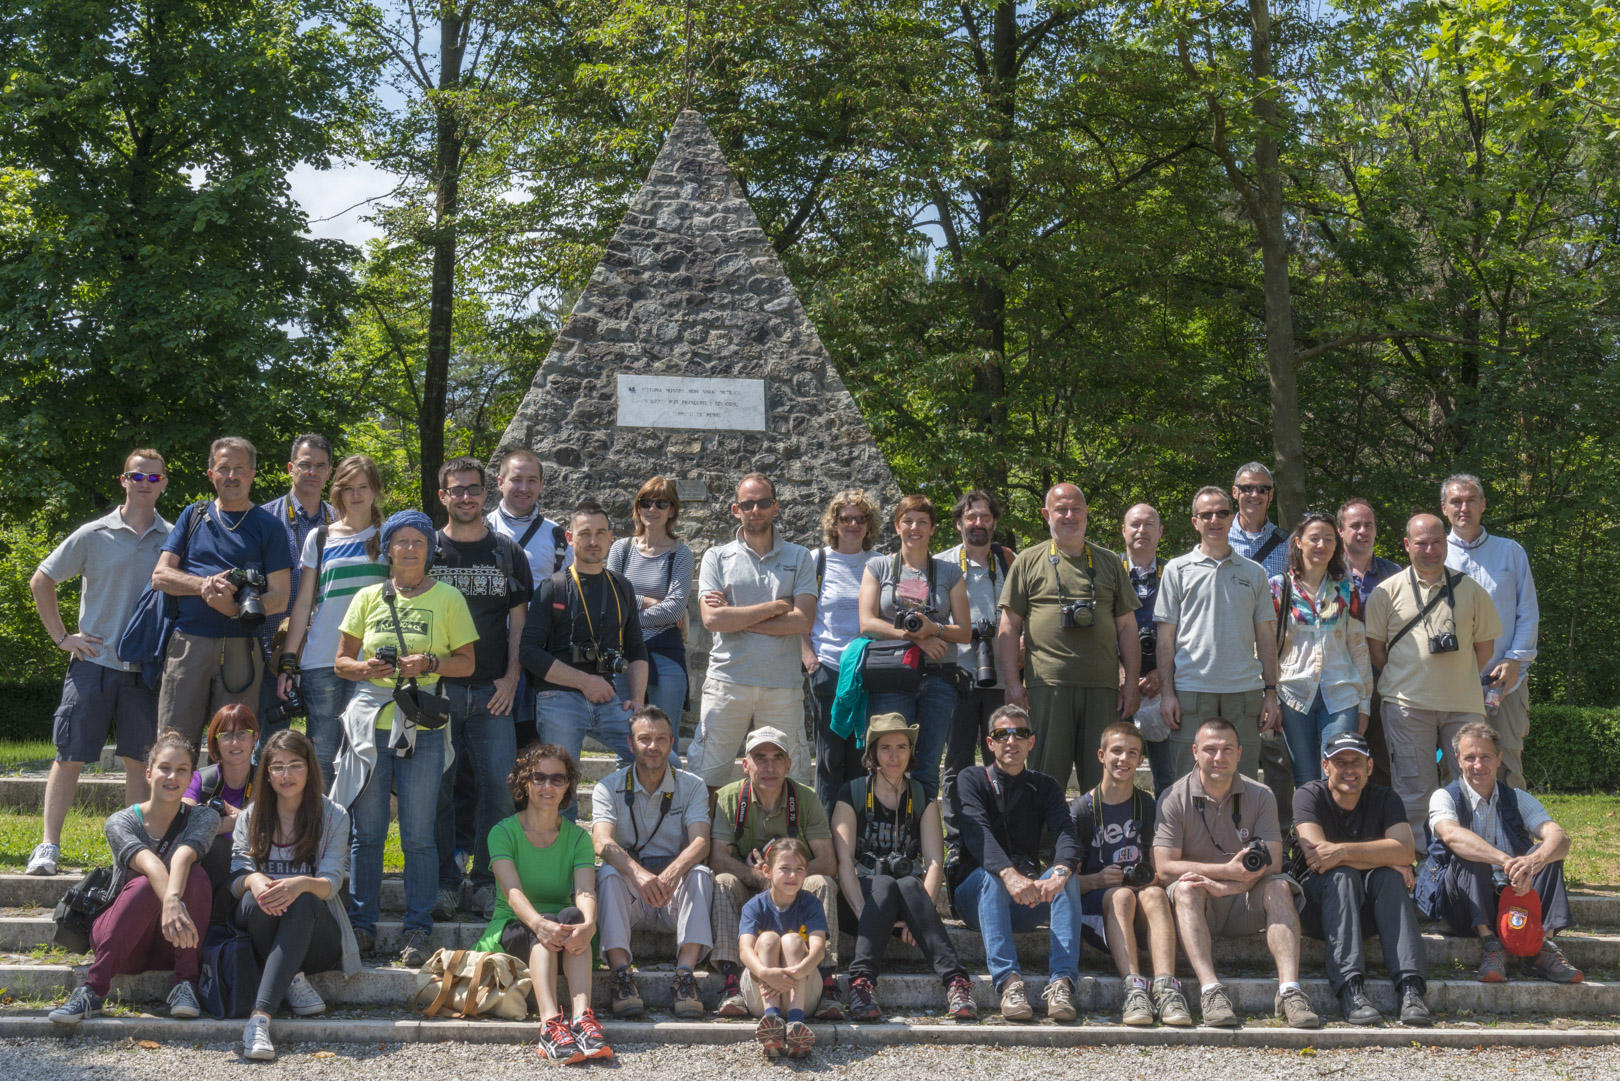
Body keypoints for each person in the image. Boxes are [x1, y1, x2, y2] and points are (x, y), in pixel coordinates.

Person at [330, 510, 478, 966]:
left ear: (430, 549)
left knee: (418, 834)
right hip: (371, 720)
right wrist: (366, 669)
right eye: (401, 541)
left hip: (424, 723)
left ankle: (418, 928)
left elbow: (468, 663)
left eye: (419, 540)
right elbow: (341, 662)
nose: (410, 548)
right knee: (368, 832)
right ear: (388, 548)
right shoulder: (368, 596)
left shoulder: (449, 598)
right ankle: (362, 925)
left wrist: (429, 664)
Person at [27, 450, 171, 877]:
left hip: (146, 668)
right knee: (70, 754)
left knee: (137, 762)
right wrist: (62, 637)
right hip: (93, 663)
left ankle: (129, 852)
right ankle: (48, 846)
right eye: (137, 475)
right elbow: (42, 579)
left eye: (154, 476)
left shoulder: (175, 537)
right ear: (123, 480)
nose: (145, 482)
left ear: (164, 482)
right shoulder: (93, 534)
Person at [1153, 718, 1318, 1030]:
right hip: (1202, 903)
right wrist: (1223, 874)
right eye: (1210, 749)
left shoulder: (1261, 795)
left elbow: (1274, 862)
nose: (1219, 757)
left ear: (1241, 753)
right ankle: (1211, 991)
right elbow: (1164, 867)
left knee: (1280, 887)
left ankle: (1290, 991)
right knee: (1185, 889)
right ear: (1195, 752)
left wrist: (1225, 886)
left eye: (1227, 749)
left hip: (1245, 899)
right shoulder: (1173, 797)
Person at [48, 730, 220, 1024]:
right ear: (149, 772)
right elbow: (150, 863)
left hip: (174, 939)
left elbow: (182, 856)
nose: (172, 777)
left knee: (196, 876)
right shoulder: (121, 821)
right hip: (123, 938)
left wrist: (172, 902)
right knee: (144, 884)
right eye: (165, 768)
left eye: (182, 770)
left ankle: (186, 984)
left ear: (192, 778)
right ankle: (92, 990)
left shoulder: (204, 817)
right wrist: (171, 900)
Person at [429, 456, 533, 922]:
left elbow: (518, 624)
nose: (466, 497)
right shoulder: (426, 550)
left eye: (473, 489)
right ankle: (446, 879)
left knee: (498, 788)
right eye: (457, 490)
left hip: (494, 692)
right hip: (439, 690)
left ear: (484, 494)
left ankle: (487, 880)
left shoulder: (507, 553)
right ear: (443, 496)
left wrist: (512, 677)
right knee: (441, 788)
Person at [831, 713, 976, 1022]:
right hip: (857, 899)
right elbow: (843, 862)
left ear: (911, 752)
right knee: (883, 885)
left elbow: (935, 860)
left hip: (906, 904)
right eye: (885, 748)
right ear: (872, 753)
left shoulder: (921, 795)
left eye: (901, 747)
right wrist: (864, 912)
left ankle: (956, 983)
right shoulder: (852, 793)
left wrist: (917, 914)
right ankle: (861, 983)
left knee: (909, 884)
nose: (894, 756)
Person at [1364, 514, 1501, 838]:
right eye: (1421, 543)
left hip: (1464, 706)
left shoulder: (1471, 590)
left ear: (1446, 543)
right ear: (1407, 545)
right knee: (1413, 790)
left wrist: (1455, 678)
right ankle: (1425, 864)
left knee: (1474, 784)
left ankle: (1475, 863)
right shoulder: (1386, 593)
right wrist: (1414, 677)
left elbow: (1484, 649)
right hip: (1407, 707)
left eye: (1436, 542)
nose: (1429, 550)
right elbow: (1377, 653)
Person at [472, 744, 610, 1064]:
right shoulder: (502, 832)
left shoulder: (578, 838)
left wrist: (588, 925)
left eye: (557, 779)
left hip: (563, 936)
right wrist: (538, 923)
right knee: (546, 918)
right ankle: (549, 1026)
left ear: (567, 787)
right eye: (539, 777)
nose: (548, 786)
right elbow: (513, 894)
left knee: (574, 915)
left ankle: (582, 1020)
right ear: (525, 783)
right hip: (515, 931)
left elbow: (586, 890)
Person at [996, 483, 1138, 794]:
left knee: (1105, 776)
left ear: (1087, 513)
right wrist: (1012, 683)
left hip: (1102, 687)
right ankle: (1044, 843)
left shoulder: (1110, 561)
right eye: (1061, 509)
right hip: (1047, 687)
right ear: (1046, 514)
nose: (1069, 515)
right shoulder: (1028, 561)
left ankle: (1103, 840)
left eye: (1076, 509)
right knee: (1044, 774)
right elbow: (1008, 626)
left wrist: (1130, 684)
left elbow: (1127, 626)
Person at [151, 438, 292, 747]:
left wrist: (232, 609)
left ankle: (230, 798)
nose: (232, 476)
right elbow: (160, 576)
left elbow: (281, 596)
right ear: (210, 474)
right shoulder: (193, 516)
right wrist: (204, 586)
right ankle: (176, 798)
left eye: (240, 468)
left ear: (253, 474)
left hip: (242, 647)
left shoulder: (269, 527)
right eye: (224, 468)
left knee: (235, 743)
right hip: (189, 642)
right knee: (174, 739)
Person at [231, 730, 361, 1062]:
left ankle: (260, 1014)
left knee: (302, 900)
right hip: (265, 926)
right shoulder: (251, 815)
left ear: (310, 768)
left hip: (318, 935)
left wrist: (300, 883)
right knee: (253, 898)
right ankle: (277, 998)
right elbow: (236, 876)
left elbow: (331, 883)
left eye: (295, 765)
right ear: (267, 773)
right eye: (277, 767)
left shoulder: (334, 816)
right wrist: (256, 880)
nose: (286, 775)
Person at [1419, 723, 1582, 984]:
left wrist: (1534, 860)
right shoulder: (1443, 796)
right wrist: (1503, 859)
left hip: (1513, 900)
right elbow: (1450, 834)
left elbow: (1560, 838)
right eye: (1469, 758)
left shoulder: (1517, 797)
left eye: (1485, 757)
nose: (1477, 765)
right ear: (1458, 761)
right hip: (1462, 906)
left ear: (1499, 760)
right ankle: (1490, 946)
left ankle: (1542, 948)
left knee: (1548, 853)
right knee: (1468, 851)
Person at [950, 704, 1083, 1023]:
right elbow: (976, 832)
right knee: (994, 877)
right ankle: (1010, 984)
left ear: (1031, 742)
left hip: (1024, 898)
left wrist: (1060, 873)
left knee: (1067, 878)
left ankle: (1061, 984)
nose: (1011, 741)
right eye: (1002, 734)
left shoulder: (1045, 786)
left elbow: (1066, 832)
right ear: (990, 741)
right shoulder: (971, 779)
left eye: (1020, 733)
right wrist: (1009, 875)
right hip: (975, 896)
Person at [687, 473, 817, 790]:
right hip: (727, 682)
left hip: (781, 686)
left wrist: (736, 616)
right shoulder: (716, 557)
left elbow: (802, 621)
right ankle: (707, 841)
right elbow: (713, 621)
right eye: (748, 504)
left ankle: (784, 842)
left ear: (775, 507)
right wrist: (775, 607)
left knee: (791, 780)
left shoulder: (799, 556)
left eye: (762, 502)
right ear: (736, 509)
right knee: (706, 778)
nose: (755, 510)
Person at [1293, 731, 1431, 1026]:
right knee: (1342, 877)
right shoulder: (1308, 795)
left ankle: (1411, 989)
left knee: (1389, 878)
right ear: (1325, 766)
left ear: (1369, 766)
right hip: (1318, 909)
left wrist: (1341, 850)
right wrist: (1384, 855)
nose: (1349, 770)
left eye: (1356, 762)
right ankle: (1350, 991)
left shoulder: (1385, 797)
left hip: (1368, 911)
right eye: (1340, 762)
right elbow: (1317, 859)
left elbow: (1406, 850)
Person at [708, 726, 843, 1020]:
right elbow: (717, 858)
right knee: (722, 881)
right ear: (746, 765)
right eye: (760, 758)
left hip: (795, 889)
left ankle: (827, 982)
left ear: (789, 764)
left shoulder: (805, 798)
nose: (769, 767)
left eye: (777, 758)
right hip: (751, 887)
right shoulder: (729, 798)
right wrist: (759, 876)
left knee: (822, 882)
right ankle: (732, 983)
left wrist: (784, 878)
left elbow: (828, 861)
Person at [518, 499, 644, 815]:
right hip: (560, 699)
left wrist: (639, 701)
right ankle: (564, 860)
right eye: (585, 533)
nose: (593, 541)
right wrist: (585, 681)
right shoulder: (553, 588)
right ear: (570, 538)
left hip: (608, 700)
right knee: (561, 788)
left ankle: (626, 827)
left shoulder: (622, 587)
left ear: (611, 537)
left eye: (601, 533)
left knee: (660, 760)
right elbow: (528, 653)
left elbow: (637, 650)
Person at [590, 706, 712, 1020]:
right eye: (644, 739)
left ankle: (685, 976)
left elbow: (701, 841)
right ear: (630, 745)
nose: (652, 746)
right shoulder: (608, 786)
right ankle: (620, 975)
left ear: (672, 743)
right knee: (607, 875)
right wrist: (640, 874)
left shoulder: (693, 785)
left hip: (673, 893)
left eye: (660, 739)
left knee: (700, 873)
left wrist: (670, 873)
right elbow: (602, 841)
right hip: (632, 892)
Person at [1154, 487, 1280, 782]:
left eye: (1222, 513)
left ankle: (1240, 831)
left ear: (1232, 517)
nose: (1214, 520)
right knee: (1189, 781)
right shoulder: (1177, 569)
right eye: (1206, 514)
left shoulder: (1254, 572)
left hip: (1245, 692)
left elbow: (1265, 636)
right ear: (1194, 521)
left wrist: (1271, 692)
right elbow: (1165, 638)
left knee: (1243, 781)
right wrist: (1167, 693)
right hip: (1191, 690)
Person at [275, 454, 387, 786]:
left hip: (371, 661)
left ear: (375, 490)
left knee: (363, 749)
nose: (356, 495)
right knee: (322, 750)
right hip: (322, 658)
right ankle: (323, 830)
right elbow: (304, 603)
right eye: (349, 488)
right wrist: (289, 662)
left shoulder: (389, 538)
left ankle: (359, 834)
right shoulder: (321, 537)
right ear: (338, 491)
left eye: (363, 487)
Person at [1071, 722, 1190, 1027]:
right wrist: (1096, 881)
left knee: (1153, 893)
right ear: (1101, 755)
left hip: (1141, 910)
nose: (1123, 759)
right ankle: (1134, 989)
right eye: (1117, 751)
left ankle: (1166, 987)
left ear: (1141, 761)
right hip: (1096, 912)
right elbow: (1064, 882)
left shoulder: (1148, 805)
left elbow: (1159, 867)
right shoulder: (1081, 810)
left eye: (1132, 753)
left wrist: (1152, 877)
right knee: (1122, 894)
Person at [858, 493, 970, 801]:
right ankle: (880, 836)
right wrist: (918, 637)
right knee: (885, 763)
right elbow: (867, 622)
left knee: (928, 763)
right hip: (890, 676)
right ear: (896, 526)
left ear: (933, 528)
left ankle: (922, 841)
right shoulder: (878, 567)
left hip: (939, 676)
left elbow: (964, 632)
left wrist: (935, 629)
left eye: (922, 522)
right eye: (907, 521)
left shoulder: (949, 573)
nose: (914, 528)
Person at [1442, 474, 1540, 790]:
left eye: (1471, 500)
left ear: (1483, 505)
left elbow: (1528, 612)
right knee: (1458, 766)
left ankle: (1515, 835)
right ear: (1444, 508)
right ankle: (1461, 836)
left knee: (1508, 764)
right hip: (1454, 684)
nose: (1464, 508)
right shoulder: (1433, 555)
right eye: (1456, 501)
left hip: (1507, 684)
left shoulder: (1511, 552)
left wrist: (1515, 660)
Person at [1270, 511, 1373, 785]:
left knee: (1340, 774)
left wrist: (1364, 705)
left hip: (1341, 695)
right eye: (1314, 538)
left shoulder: (1345, 591)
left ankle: (1337, 829)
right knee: (1304, 778)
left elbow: (1358, 647)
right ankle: (1307, 829)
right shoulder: (1278, 589)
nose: (1321, 545)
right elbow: (1264, 648)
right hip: (1292, 694)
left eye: (1328, 539)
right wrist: (1268, 695)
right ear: (1298, 542)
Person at [938, 490, 1013, 845]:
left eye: (984, 517)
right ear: (958, 523)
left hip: (1001, 676)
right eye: (971, 517)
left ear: (994, 522)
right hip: (957, 676)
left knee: (1004, 760)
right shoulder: (941, 564)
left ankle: (1002, 835)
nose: (978, 523)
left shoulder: (1010, 562)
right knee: (957, 763)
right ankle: (957, 839)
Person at [1226, 462, 1297, 820]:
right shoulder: (1216, 539)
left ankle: (1280, 832)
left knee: (1277, 754)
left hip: (1277, 657)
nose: (1255, 494)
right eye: (1247, 487)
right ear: (1235, 491)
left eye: (1263, 489)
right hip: (1229, 656)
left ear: (1271, 495)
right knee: (1229, 748)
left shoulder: (1288, 544)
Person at [255, 435, 335, 751]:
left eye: (320, 465)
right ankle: (257, 801)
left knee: (326, 744)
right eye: (305, 464)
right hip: (269, 650)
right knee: (266, 743)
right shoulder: (264, 518)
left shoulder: (342, 522)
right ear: (290, 468)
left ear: (330, 472)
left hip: (325, 651)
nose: (312, 472)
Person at [803, 489, 880, 812]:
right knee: (830, 758)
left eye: (859, 519)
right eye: (845, 518)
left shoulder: (879, 563)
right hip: (829, 668)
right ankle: (826, 840)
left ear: (868, 524)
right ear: (833, 523)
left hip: (868, 671)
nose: (852, 524)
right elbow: (801, 614)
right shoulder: (815, 560)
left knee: (862, 758)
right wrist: (810, 660)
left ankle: (857, 836)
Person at [488, 447, 569, 751]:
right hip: (487, 647)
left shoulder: (557, 537)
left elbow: (570, 589)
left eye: (531, 480)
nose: (524, 488)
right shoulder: (479, 530)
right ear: (500, 482)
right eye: (516, 479)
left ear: (541, 485)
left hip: (536, 648)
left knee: (530, 740)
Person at [606, 476, 695, 753]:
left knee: (665, 742)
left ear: (672, 510)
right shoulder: (622, 549)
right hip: (624, 655)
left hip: (665, 656)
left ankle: (670, 797)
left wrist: (632, 611)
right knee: (626, 740)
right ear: (638, 507)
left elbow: (676, 607)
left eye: (660, 503)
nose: (652, 509)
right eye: (646, 502)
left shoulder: (680, 554)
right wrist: (648, 601)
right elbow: (610, 600)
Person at [739, 838, 826, 1060]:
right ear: (767, 871)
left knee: (793, 941)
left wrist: (797, 971)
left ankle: (796, 1024)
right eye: (785, 869)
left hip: (801, 990)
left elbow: (818, 950)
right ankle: (772, 1022)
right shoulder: (754, 906)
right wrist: (767, 973)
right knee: (768, 939)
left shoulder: (811, 903)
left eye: (799, 870)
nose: (792, 876)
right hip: (762, 992)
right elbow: (745, 951)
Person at [1337, 497, 1402, 787]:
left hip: (1384, 680)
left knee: (1383, 759)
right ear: (1340, 530)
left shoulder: (1394, 573)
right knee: (1341, 758)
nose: (1362, 531)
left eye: (1368, 525)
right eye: (1355, 525)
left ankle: (1384, 823)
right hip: (1339, 681)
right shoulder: (1328, 571)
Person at [1119, 502, 1175, 795]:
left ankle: (1166, 834)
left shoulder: (1176, 572)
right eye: (1135, 524)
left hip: (1163, 683)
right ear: (1124, 530)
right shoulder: (1108, 570)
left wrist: (1161, 672)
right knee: (1117, 766)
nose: (1142, 530)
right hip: (1116, 683)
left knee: (1167, 774)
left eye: (1149, 524)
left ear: (1160, 531)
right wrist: (1119, 671)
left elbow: (1189, 630)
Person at [182, 704, 258, 922]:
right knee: (217, 848)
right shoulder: (201, 779)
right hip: (207, 874)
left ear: (255, 739)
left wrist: (216, 820)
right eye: (226, 735)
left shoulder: (266, 779)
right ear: (215, 741)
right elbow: (185, 820)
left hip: (252, 870)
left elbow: (268, 826)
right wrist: (241, 819)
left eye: (242, 734)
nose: (234, 742)